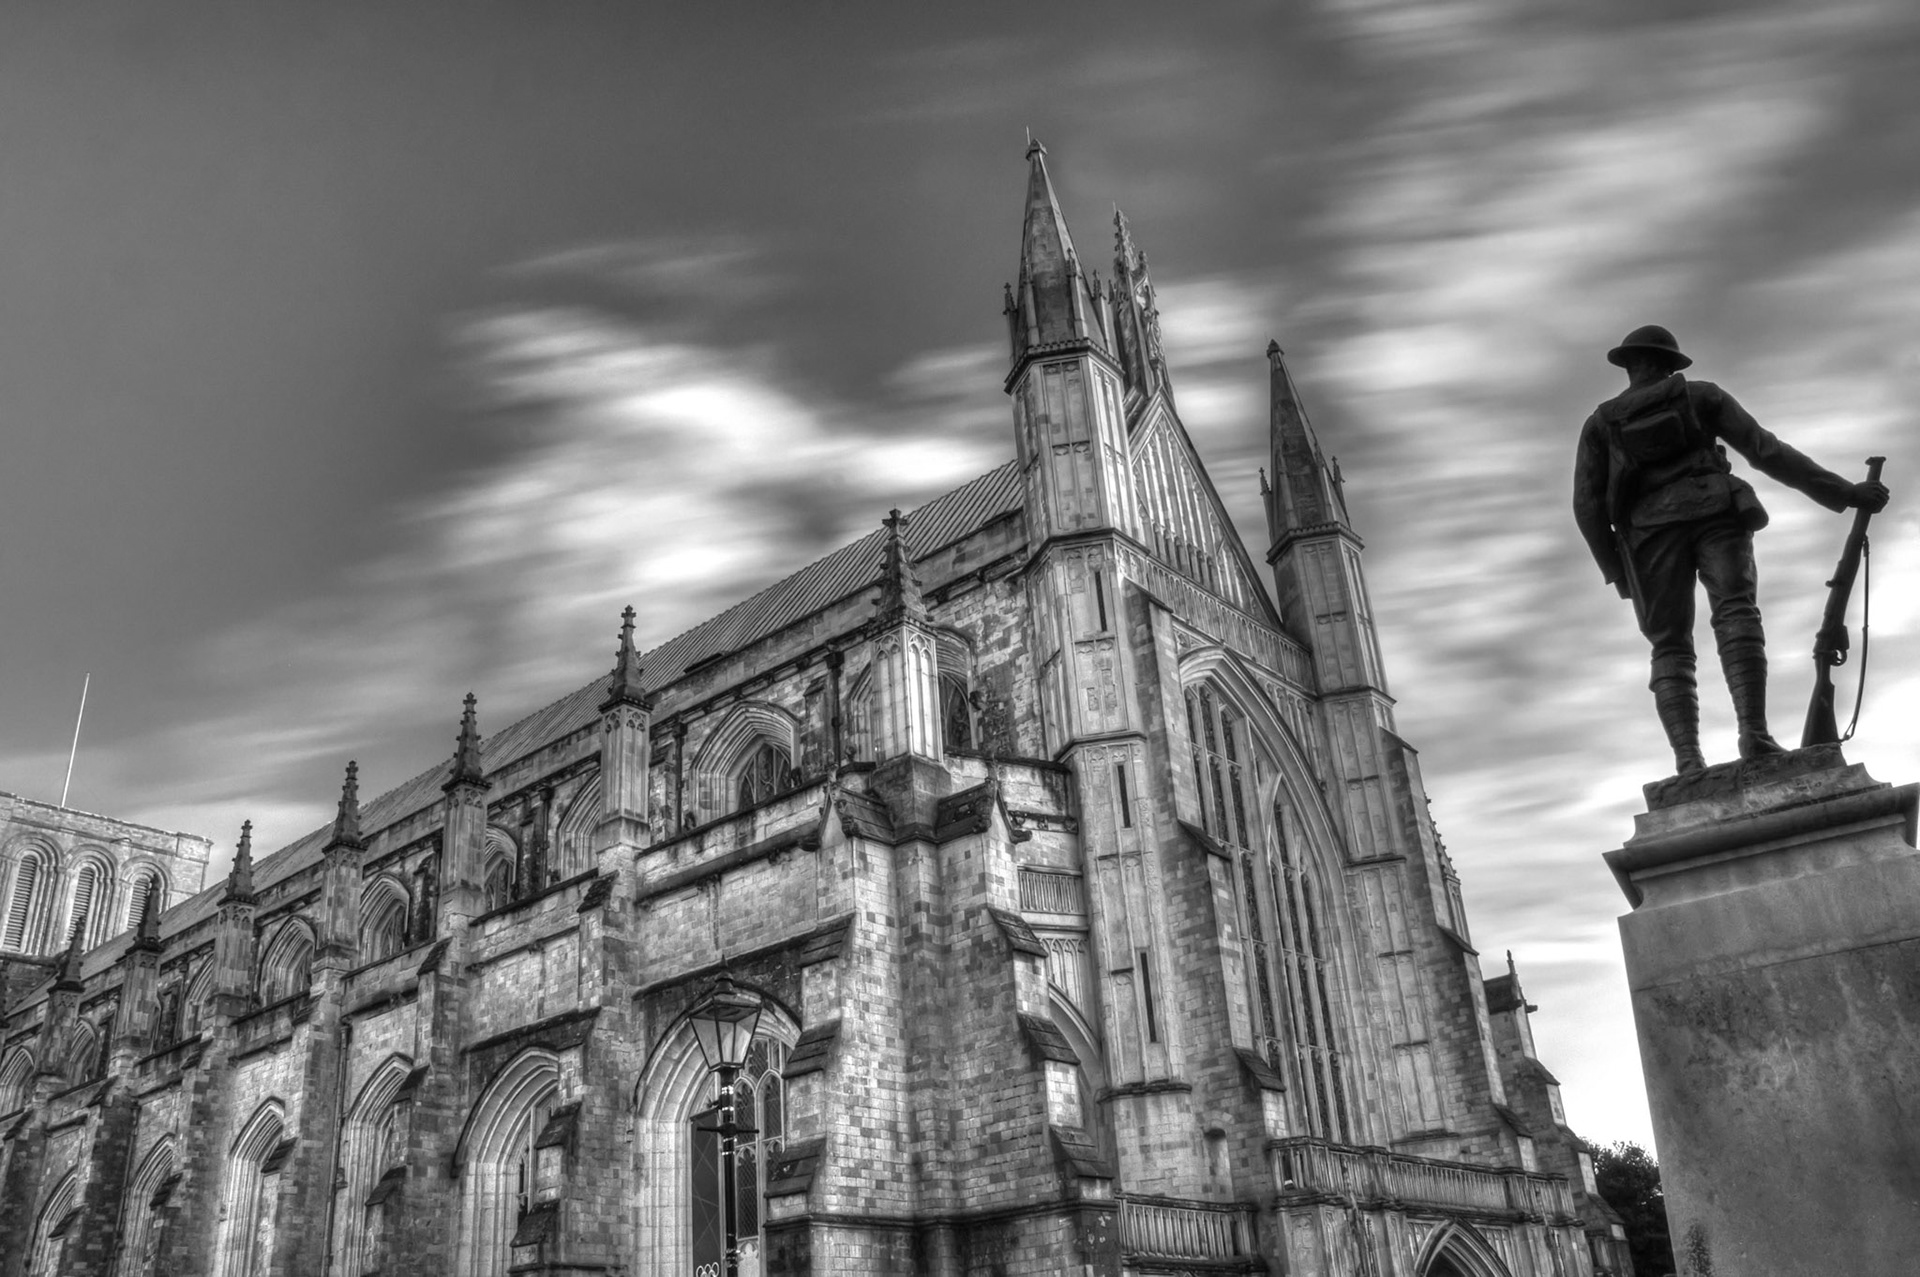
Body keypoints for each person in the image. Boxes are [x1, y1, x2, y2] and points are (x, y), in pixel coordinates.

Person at [1572, 325, 1889, 774]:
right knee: (1737, 615)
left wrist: (1616, 570)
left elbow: (1586, 506)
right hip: (1716, 512)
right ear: (1669, 364)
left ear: (1629, 365)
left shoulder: (1600, 424)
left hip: (1646, 535)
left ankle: (1688, 761)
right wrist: (1845, 493)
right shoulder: (1701, 397)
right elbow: (1767, 452)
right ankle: (1754, 735)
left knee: (1668, 646)